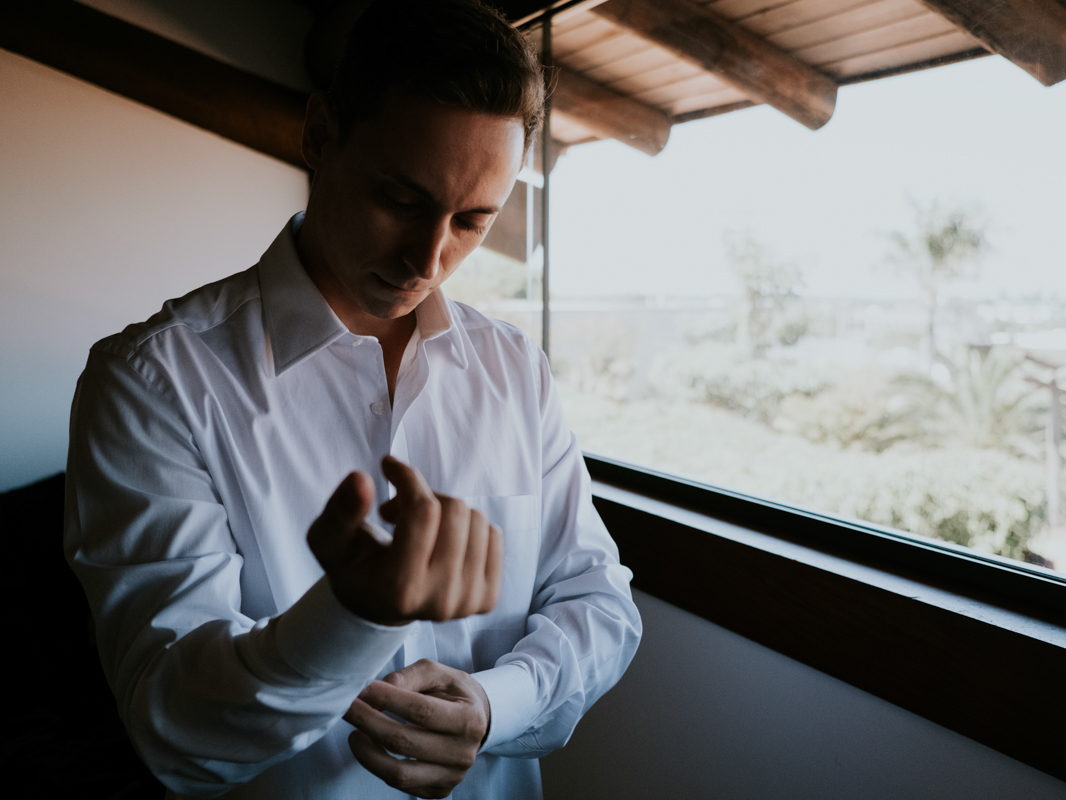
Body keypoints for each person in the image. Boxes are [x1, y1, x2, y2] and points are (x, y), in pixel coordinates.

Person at [62, 1, 642, 797]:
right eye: (401, 200)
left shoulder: (515, 370)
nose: (428, 260)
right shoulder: (152, 385)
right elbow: (175, 730)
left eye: (473, 221)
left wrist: (497, 705)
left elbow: (596, 597)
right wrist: (350, 615)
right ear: (320, 134)